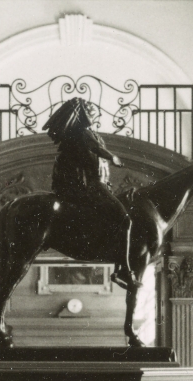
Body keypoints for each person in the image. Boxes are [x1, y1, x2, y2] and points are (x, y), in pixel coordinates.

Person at [42, 97, 136, 290]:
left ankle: (120, 269)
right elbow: (97, 149)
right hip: (94, 187)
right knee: (125, 220)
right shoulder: (83, 133)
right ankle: (124, 271)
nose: (97, 113)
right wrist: (113, 157)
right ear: (84, 115)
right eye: (93, 111)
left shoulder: (86, 133)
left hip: (101, 185)